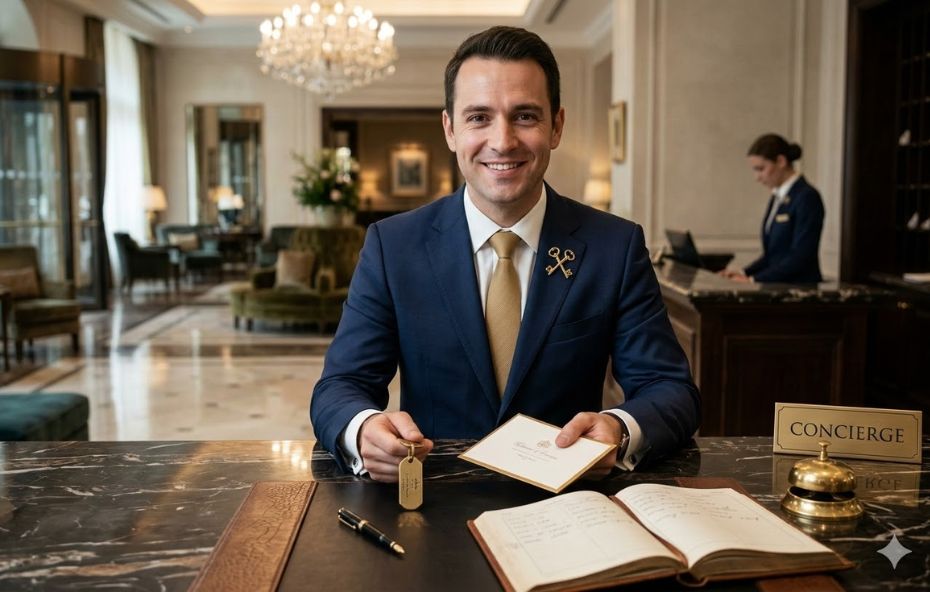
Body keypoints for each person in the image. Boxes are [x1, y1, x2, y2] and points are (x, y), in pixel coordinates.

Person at [310, 26, 700, 482]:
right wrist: (361, 430)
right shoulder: (392, 246)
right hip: (434, 498)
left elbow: (670, 389)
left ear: (556, 126)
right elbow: (341, 385)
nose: (503, 141)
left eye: (525, 116)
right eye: (479, 117)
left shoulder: (615, 246)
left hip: (568, 502)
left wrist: (619, 428)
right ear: (450, 129)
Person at [721, 134, 824, 283]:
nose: (757, 177)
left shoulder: (806, 196)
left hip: (799, 289)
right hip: (778, 286)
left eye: (761, 169)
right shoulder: (778, 197)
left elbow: (801, 256)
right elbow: (772, 256)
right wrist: (743, 273)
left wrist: (753, 280)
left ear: (781, 161)